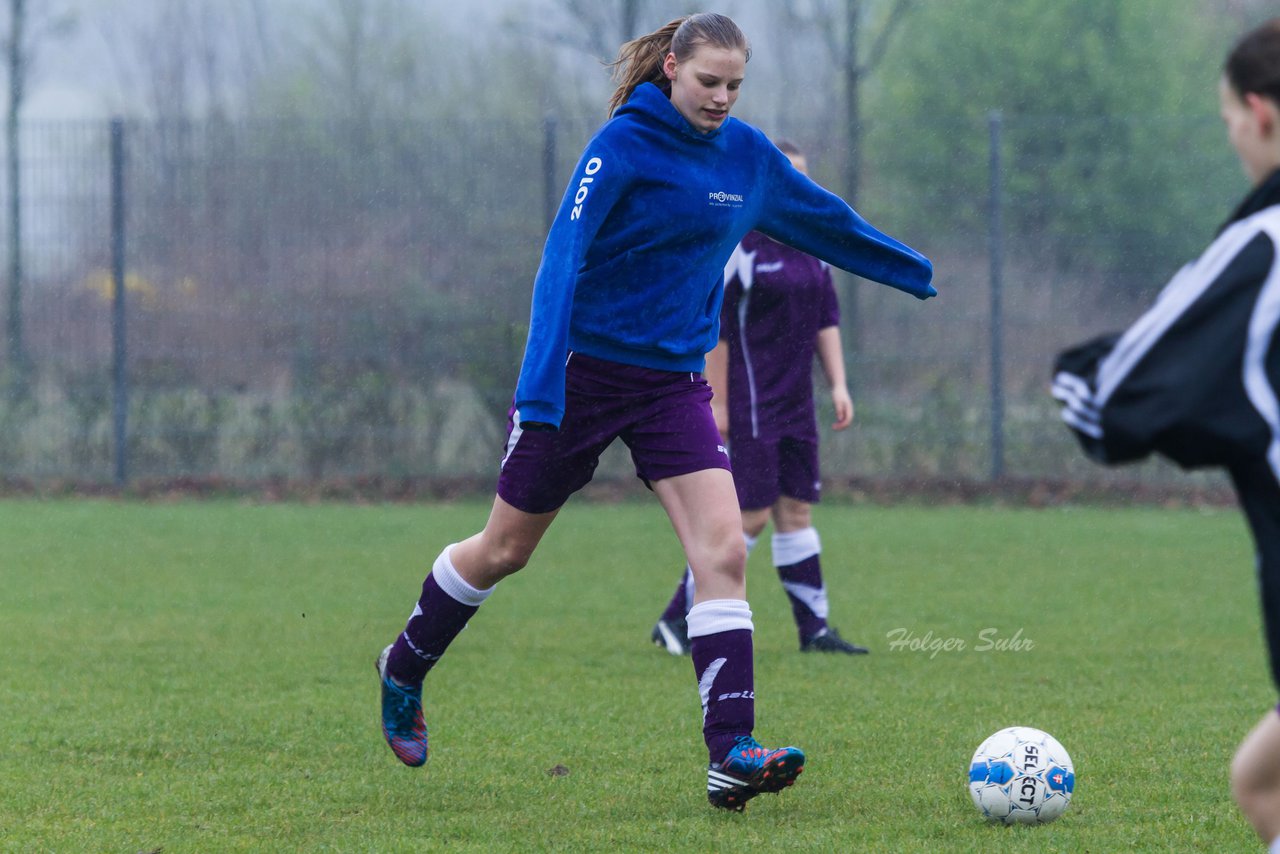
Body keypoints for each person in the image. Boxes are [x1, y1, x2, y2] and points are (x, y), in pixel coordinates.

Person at [376, 12, 934, 812]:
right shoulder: (621, 148)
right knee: (503, 550)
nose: (721, 98)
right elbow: (561, 262)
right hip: (581, 376)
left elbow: (824, 218)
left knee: (724, 550)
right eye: (709, 82)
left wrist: (907, 268)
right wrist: (539, 388)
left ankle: (730, 753)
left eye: (735, 85)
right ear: (670, 67)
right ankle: (404, 665)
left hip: (672, 383)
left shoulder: (748, 156)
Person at [1051, 17, 1280, 848]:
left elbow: (1116, 402)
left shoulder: (1264, 242)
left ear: (1258, 112)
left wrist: (1072, 373)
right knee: (1262, 782)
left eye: (1227, 123)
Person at [650, 140, 870, 658]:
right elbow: (717, 334)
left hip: (797, 404)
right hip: (749, 404)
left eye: (804, 178)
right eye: (787, 177)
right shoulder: (738, 249)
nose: (798, 188)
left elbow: (826, 320)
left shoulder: (817, 248)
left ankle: (814, 631)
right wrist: (718, 404)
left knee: (796, 510)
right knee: (749, 516)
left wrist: (838, 383)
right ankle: (675, 621)